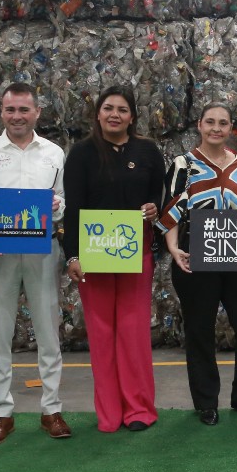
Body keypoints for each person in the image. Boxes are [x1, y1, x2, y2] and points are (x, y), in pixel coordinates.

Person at [0, 83, 70, 445]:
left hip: (42, 252)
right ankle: (1, 414)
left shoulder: (54, 153)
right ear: (1, 112)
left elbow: (64, 201)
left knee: (49, 333)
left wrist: (58, 208)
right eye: (10, 110)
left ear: (37, 112)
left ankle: (51, 410)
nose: (17, 116)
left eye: (24, 110)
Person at [157, 103, 237, 426]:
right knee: (200, 331)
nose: (216, 128)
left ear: (231, 128)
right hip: (195, 259)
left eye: (223, 123)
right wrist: (173, 249)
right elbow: (170, 210)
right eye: (210, 122)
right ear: (199, 125)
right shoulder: (183, 165)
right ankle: (207, 402)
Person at [62, 85, 165, 433]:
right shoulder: (81, 153)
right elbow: (73, 208)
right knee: (102, 333)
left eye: (122, 109)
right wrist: (72, 255)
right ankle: (108, 413)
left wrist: (153, 209)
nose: (114, 115)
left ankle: (138, 410)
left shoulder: (149, 151)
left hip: (135, 252)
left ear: (132, 116)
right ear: (98, 114)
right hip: (94, 253)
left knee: (133, 332)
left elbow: (157, 198)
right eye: (108, 108)